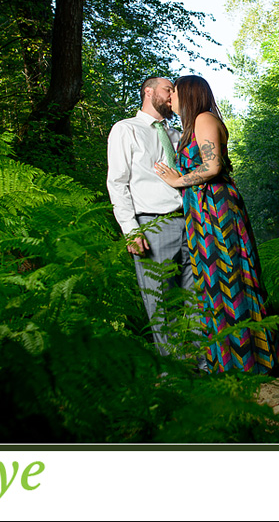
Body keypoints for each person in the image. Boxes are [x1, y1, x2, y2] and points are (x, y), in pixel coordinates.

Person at [154, 75, 279, 374]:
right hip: (201, 211)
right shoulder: (191, 125)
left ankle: (253, 361)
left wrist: (177, 180)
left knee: (230, 276)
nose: (171, 98)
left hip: (216, 208)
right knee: (212, 282)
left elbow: (213, 165)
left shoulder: (204, 118)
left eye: (175, 92)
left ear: (189, 94)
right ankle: (228, 361)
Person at [106, 76, 203, 367]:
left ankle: (203, 368)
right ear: (148, 92)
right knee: (160, 303)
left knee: (196, 298)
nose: (173, 94)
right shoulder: (126, 130)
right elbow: (117, 183)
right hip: (152, 226)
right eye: (168, 89)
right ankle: (174, 372)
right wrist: (130, 230)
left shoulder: (177, 134)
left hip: (189, 222)